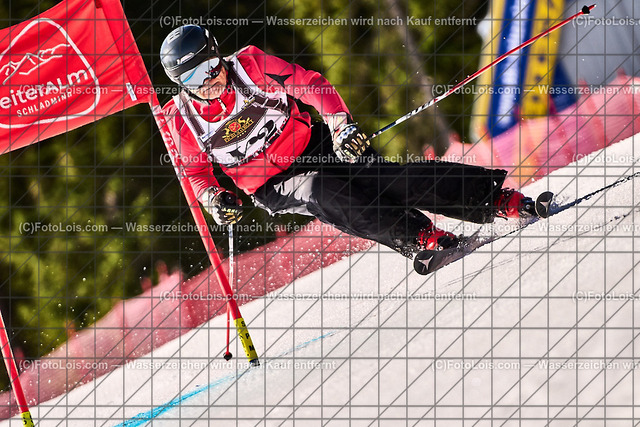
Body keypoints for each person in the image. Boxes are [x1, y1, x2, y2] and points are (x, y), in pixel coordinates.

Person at [159, 25, 534, 259]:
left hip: (315, 144)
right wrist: (213, 199)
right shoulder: (182, 119)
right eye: (193, 79)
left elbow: (310, 85)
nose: (208, 82)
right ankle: (419, 236)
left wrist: (340, 125)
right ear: (180, 84)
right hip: (272, 184)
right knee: (325, 193)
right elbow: (195, 173)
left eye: (210, 68)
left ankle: (495, 199)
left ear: (218, 55)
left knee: (387, 181)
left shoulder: (250, 66)